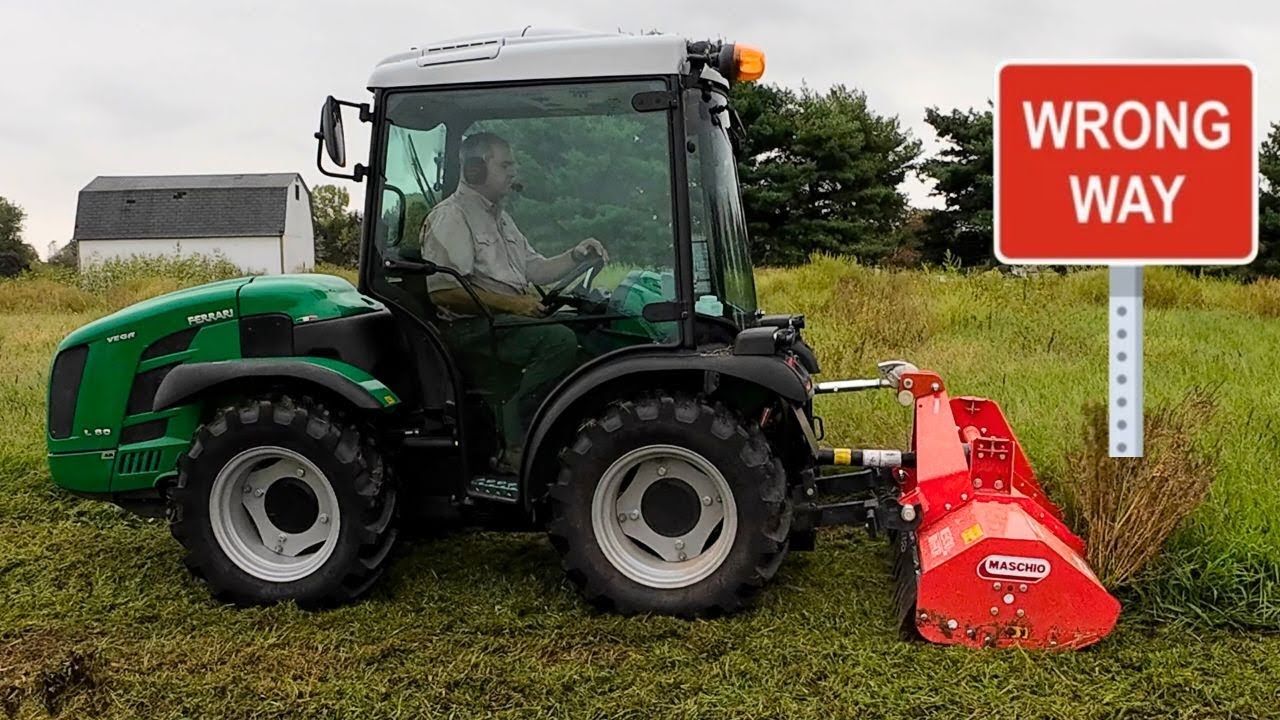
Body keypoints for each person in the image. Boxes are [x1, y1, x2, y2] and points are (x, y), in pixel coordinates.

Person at [418, 131, 608, 474]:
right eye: (505, 165)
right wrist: (513, 306)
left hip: (504, 323)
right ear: (475, 169)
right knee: (559, 341)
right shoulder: (452, 217)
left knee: (592, 330)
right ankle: (515, 440)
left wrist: (576, 255)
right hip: (470, 329)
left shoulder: (501, 219)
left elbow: (535, 269)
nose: (513, 172)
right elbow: (444, 292)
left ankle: (574, 437)